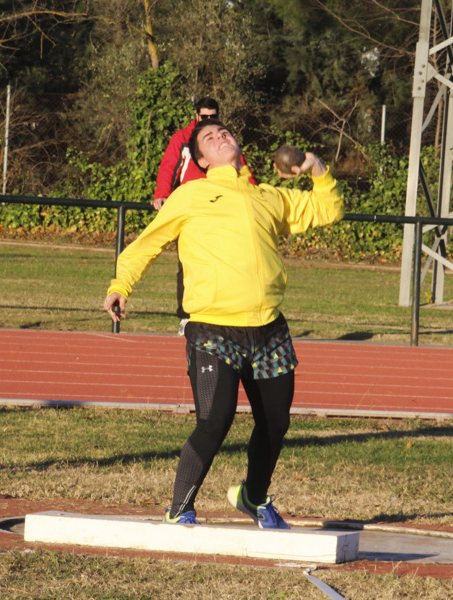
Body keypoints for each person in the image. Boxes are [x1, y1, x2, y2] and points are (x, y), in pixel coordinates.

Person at [105, 120, 343, 528]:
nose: (220, 137)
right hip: (213, 328)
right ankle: (179, 508)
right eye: (208, 138)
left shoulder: (267, 196)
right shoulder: (190, 195)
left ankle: (252, 497)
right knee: (215, 420)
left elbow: (329, 209)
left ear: (237, 144)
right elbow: (147, 243)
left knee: (276, 424)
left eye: (225, 133)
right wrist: (121, 285)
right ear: (200, 159)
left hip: (268, 328)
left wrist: (316, 166)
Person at [152, 98, 256, 334]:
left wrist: (254, 195)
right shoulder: (182, 139)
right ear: (196, 116)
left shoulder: (224, 139)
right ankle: (187, 317)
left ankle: (230, 314)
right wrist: (162, 194)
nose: (210, 121)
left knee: (228, 262)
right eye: (204, 117)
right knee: (188, 265)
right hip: (192, 210)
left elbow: (241, 168)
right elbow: (169, 167)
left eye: (214, 117)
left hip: (223, 209)